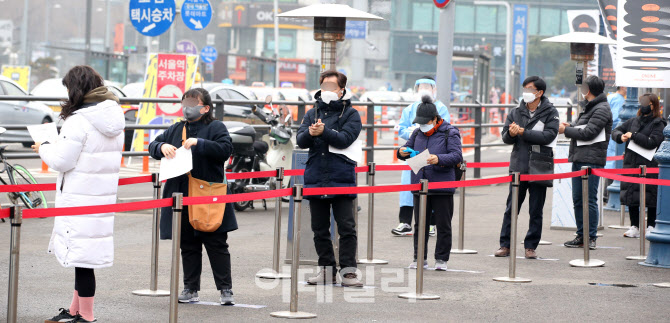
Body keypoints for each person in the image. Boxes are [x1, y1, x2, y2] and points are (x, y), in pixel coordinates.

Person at [39, 66, 125, 323]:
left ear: (74, 89)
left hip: (79, 196)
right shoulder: (112, 115)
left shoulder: (79, 119)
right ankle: (75, 310)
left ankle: (86, 316)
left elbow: (62, 161)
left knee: (82, 258)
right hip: (100, 196)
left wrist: (43, 147)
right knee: (83, 257)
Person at [149, 88, 238, 305]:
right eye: (185, 102)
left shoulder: (216, 127)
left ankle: (226, 289)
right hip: (180, 195)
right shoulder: (176, 128)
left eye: (193, 102)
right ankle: (190, 288)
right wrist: (162, 147)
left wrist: (200, 143)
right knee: (187, 244)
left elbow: (225, 150)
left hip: (208, 194)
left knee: (216, 243)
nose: (188, 107)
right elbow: (152, 146)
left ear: (205, 107)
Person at [297, 70, 363, 287]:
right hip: (316, 176)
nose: (326, 91)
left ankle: (348, 272)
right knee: (319, 229)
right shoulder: (311, 111)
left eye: (331, 87)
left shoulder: (351, 114)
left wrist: (324, 132)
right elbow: (301, 139)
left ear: (341, 90)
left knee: (347, 227)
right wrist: (311, 133)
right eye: (323, 86)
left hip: (342, 175)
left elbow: (345, 139)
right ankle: (326, 270)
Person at [494, 76, 559, 259]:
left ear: (539, 93)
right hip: (519, 165)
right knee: (511, 208)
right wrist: (512, 134)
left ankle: (530, 246)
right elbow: (505, 137)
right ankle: (505, 245)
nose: (526, 92)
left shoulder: (550, 112)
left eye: (530, 89)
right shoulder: (516, 111)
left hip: (540, 166)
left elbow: (549, 136)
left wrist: (524, 132)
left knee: (536, 209)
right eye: (524, 88)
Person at [397, 96, 463, 271]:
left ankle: (441, 259)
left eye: (426, 122)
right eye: (420, 123)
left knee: (443, 223)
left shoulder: (450, 132)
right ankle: (419, 258)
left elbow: (457, 156)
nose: (422, 126)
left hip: (442, 185)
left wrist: (438, 158)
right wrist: (402, 152)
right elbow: (405, 149)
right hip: (420, 184)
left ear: (435, 119)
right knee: (420, 224)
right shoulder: (417, 132)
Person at [392, 76, 450, 237]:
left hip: (433, 153)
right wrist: (410, 132)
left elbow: (446, 127)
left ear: (434, 89)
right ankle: (405, 222)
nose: (424, 89)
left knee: (431, 187)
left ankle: (431, 223)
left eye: (428, 86)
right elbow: (402, 128)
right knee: (408, 187)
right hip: (414, 152)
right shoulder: (409, 108)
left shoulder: (441, 107)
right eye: (421, 86)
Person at [560, 76, 613, 249]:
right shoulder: (590, 107)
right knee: (577, 199)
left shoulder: (602, 108)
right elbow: (579, 127)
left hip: (591, 160)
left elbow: (589, 132)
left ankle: (590, 237)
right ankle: (581, 235)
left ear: (588, 90)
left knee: (588, 199)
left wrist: (566, 130)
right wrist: (569, 126)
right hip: (579, 157)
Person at [612, 94, 666, 238]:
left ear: (653, 105)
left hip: (650, 165)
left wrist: (633, 135)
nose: (642, 105)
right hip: (632, 164)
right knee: (631, 195)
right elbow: (616, 130)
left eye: (646, 102)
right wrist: (620, 136)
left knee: (651, 197)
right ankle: (634, 226)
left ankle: (651, 226)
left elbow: (652, 142)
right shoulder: (633, 121)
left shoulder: (658, 123)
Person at [606, 86, 626, 169]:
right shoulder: (619, 100)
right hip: (614, 135)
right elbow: (615, 120)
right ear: (622, 87)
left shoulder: (610, 96)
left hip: (608, 134)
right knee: (613, 157)